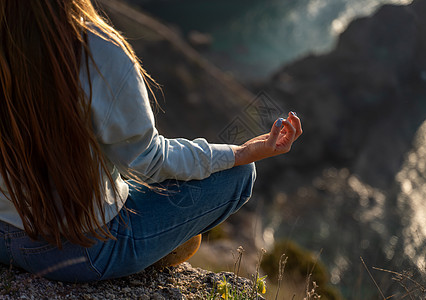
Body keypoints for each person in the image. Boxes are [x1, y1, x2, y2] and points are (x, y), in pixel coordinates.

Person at [0, 0, 302, 283]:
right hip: (81, 251)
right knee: (239, 175)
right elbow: (148, 160)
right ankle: (154, 247)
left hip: (4, 232)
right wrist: (241, 151)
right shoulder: (94, 49)